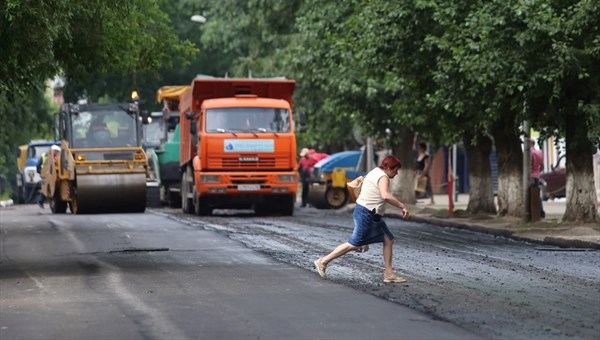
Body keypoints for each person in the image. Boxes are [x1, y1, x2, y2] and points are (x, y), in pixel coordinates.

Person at [314, 155, 410, 283]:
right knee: (354, 244)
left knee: (388, 238)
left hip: (369, 214)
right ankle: (323, 261)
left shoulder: (374, 172)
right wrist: (402, 206)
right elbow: (385, 195)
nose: (396, 173)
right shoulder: (383, 177)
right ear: (387, 167)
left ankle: (388, 274)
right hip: (367, 214)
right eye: (395, 170)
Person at [530, 139, 545, 218]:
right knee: (537, 195)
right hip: (537, 176)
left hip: (530, 177)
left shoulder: (529, 153)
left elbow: (529, 164)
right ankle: (541, 212)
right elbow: (542, 166)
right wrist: (538, 172)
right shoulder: (539, 152)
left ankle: (533, 213)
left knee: (530, 195)